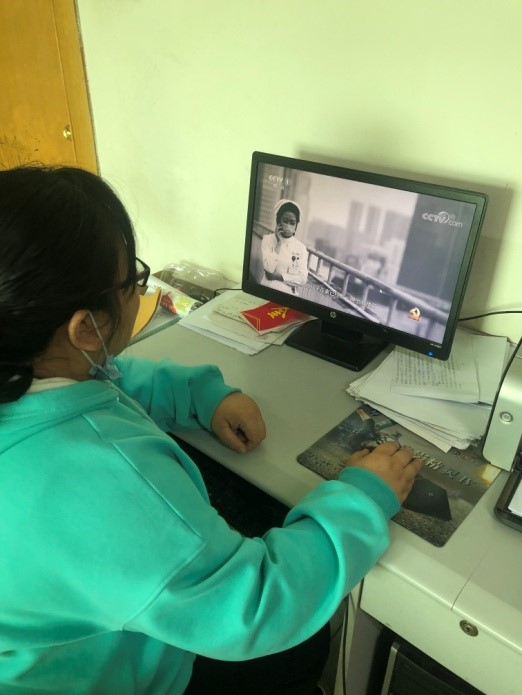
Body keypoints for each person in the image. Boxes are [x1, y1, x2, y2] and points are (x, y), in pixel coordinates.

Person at [0, 165, 422, 694]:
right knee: (303, 648)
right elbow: (256, 607)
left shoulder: (25, 370)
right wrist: (362, 497)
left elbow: (108, 378)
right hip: (113, 678)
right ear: (85, 328)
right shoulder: (98, 481)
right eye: (133, 280)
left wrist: (203, 396)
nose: (139, 290)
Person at [260, 199, 309, 295]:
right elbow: (269, 268)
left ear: (296, 225)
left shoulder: (301, 248)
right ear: (279, 220)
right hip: (268, 288)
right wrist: (278, 243)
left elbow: (302, 279)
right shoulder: (267, 239)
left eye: (292, 223)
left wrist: (278, 277)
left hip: (289, 293)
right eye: (285, 221)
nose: (288, 225)